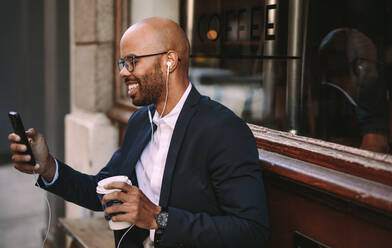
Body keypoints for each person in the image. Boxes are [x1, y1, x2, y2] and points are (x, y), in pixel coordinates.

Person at [8, 17, 269, 247]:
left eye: (132, 61)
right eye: (122, 62)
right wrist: (48, 167)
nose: (123, 72)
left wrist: (158, 218)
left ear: (169, 61)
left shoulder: (223, 130)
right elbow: (101, 192)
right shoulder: (140, 122)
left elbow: (251, 232)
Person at [317, 28, 390, 153]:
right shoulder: (366, 100)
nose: (375, 72)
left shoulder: (324, 96)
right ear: (360, 66)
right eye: (372, 63)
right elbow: (376, 147)